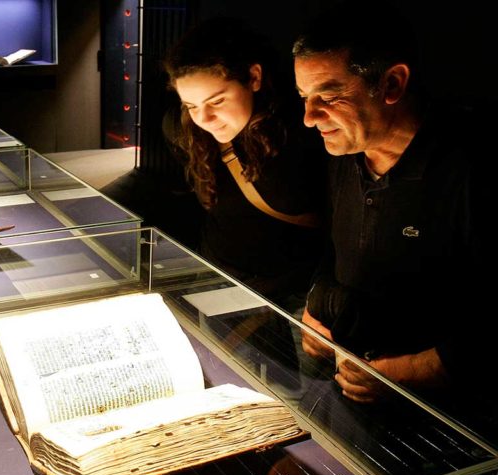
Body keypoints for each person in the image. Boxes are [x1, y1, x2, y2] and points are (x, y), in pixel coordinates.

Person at [292, 2, 496, 442]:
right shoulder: (345, 154)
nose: (309, 117)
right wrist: (316, 308)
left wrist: (416, 371)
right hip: (353, 399)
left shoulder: (471, 169)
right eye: (304, 98)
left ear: (392, 83)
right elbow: (336, 246)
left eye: (327, 96)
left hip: (449, 428)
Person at [161, 17, 327, 311]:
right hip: (217, 274)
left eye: (217, 101)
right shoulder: (183, 130)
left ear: (254, 77)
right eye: (191, 105)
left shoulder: (304, 132)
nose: (204, 119)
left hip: (298, 295)